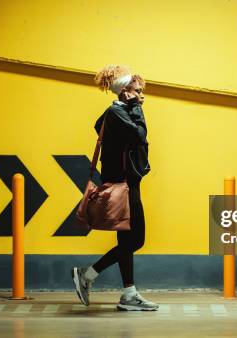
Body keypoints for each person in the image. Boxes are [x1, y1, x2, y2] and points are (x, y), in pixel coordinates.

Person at [72, 65, 158, 311]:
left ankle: (128, 293)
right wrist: (137, 108)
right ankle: (88, 275)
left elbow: (98, 125)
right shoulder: (121, 112)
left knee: (128, 239)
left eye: (142, 92)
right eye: (137, 91)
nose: (142, 95)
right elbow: (140, 135)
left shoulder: (117, 112)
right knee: (135, 239)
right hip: (125, 185)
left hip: (127, 182)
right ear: (125, 92)